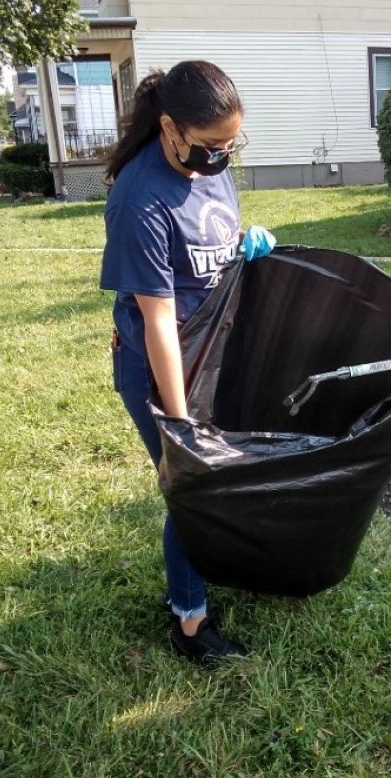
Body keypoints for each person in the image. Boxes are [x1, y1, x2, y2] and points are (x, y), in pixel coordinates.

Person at [99, 61, 275, 668]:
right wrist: (182, 428)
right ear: (170, 128)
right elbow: (157, 325)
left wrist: (243, 243)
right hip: (162, 366)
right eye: (209, 147)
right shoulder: (140, 198)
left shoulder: (210, 167)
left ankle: (217, 567)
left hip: (212, 351)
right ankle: (189, 618)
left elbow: (211, 243)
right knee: (192, 488)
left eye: (231, 145)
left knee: (222, 481)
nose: (220, 159)